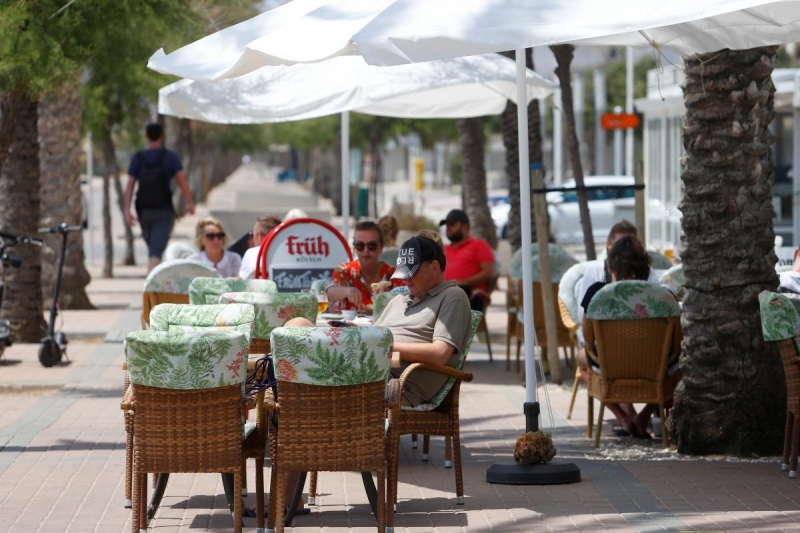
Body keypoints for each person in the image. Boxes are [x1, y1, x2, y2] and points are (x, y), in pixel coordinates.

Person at [578, 235, 674, 439]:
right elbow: (676, 342)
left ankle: (622, 417)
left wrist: (592, 351)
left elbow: (588, 337)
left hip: (611, 365)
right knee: (679, 371)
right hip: (653, 367)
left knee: (582, 361)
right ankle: (644, 415)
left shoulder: (597, 294)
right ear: (645, 268)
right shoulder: (664, 297)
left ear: (612, 267)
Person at [124, 123, 195, 273]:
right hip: (164, 211)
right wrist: (190, 203)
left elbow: (130, 186)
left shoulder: (138, 158)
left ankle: (154, 284)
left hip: (143, 211)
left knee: (153, 250)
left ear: (146, 136)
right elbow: (182, 182)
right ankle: (150, 291)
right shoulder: (170, 157)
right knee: (155, 253)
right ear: (162, 137)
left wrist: (127, 210)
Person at [577, 220, 659, 323]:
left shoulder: (595, 291)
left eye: (631, 244)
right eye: (620, 245)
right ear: (608, 245)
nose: (626, 251)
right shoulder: (594, 273)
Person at [326, 221, 403, 312]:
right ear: (354, 248)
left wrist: (389, 297)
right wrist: (348, 291)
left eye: (371, 246)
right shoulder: (345, 271)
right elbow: (329, 293)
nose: (366, 250)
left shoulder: (394, 275)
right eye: (360, 246)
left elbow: (407, 301)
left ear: (381, 247)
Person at [439, 209, 495, 313]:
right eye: (446, 225)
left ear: (465, 227)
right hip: (445, 293)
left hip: (470, 295)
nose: (448, 228)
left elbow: (488, 273)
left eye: (451, 224)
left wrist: (463, 282)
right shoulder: (443, 249)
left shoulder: (479, 245)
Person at [239, 214, 282, 279]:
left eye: (252, 235)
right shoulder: (289, 253)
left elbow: (240, 281)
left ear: (259, 236)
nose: (252, 239)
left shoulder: (252, 253)